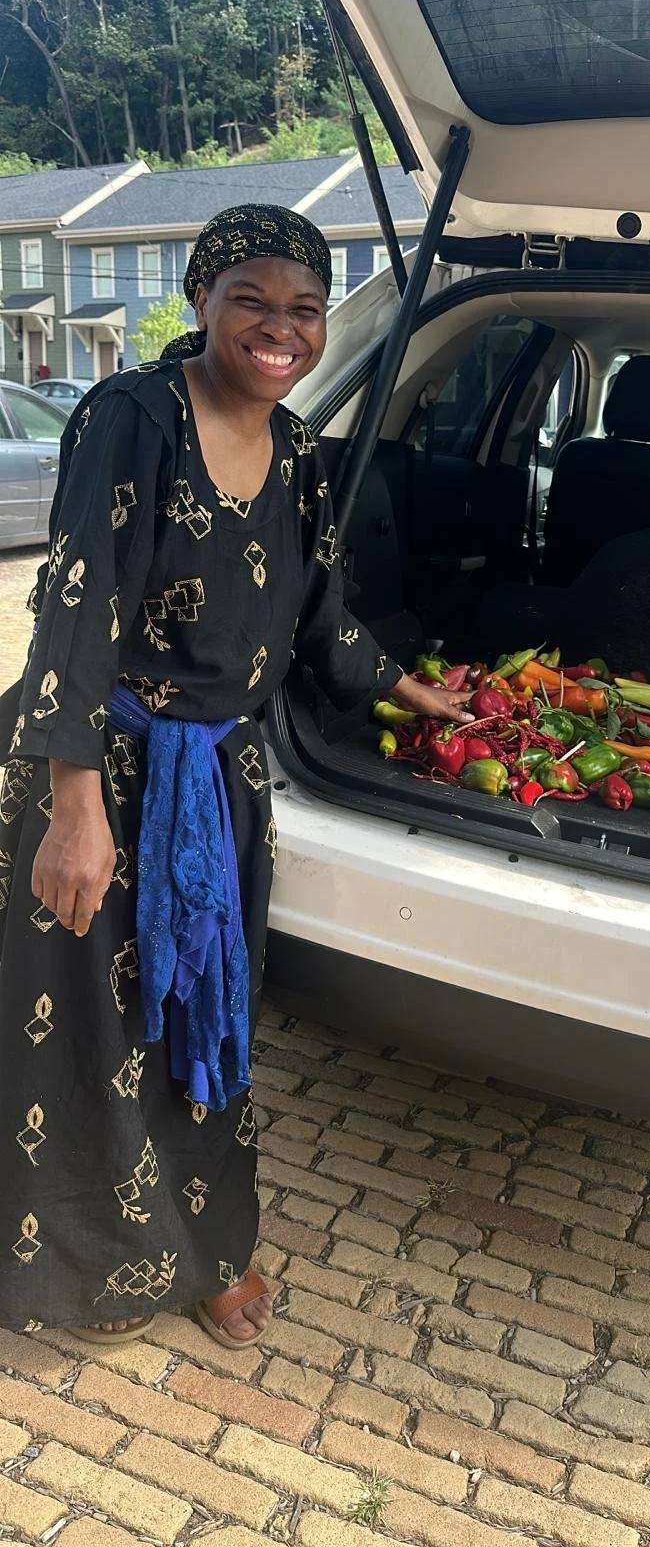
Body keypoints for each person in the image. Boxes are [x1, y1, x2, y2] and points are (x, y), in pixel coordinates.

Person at [0, 204, 471, 1346]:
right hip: (96, 774)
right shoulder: (133, 416)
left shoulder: (303, 452)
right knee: (89, 1039)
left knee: (204, 1014)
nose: (282, 328)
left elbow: (317, 613)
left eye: (305, 309)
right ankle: (88, 1265)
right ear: (201, 299)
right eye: (251, 299)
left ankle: (204, 1244)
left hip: (216, 787)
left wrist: (413, 691)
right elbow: (78, 601)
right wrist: (74, 814)